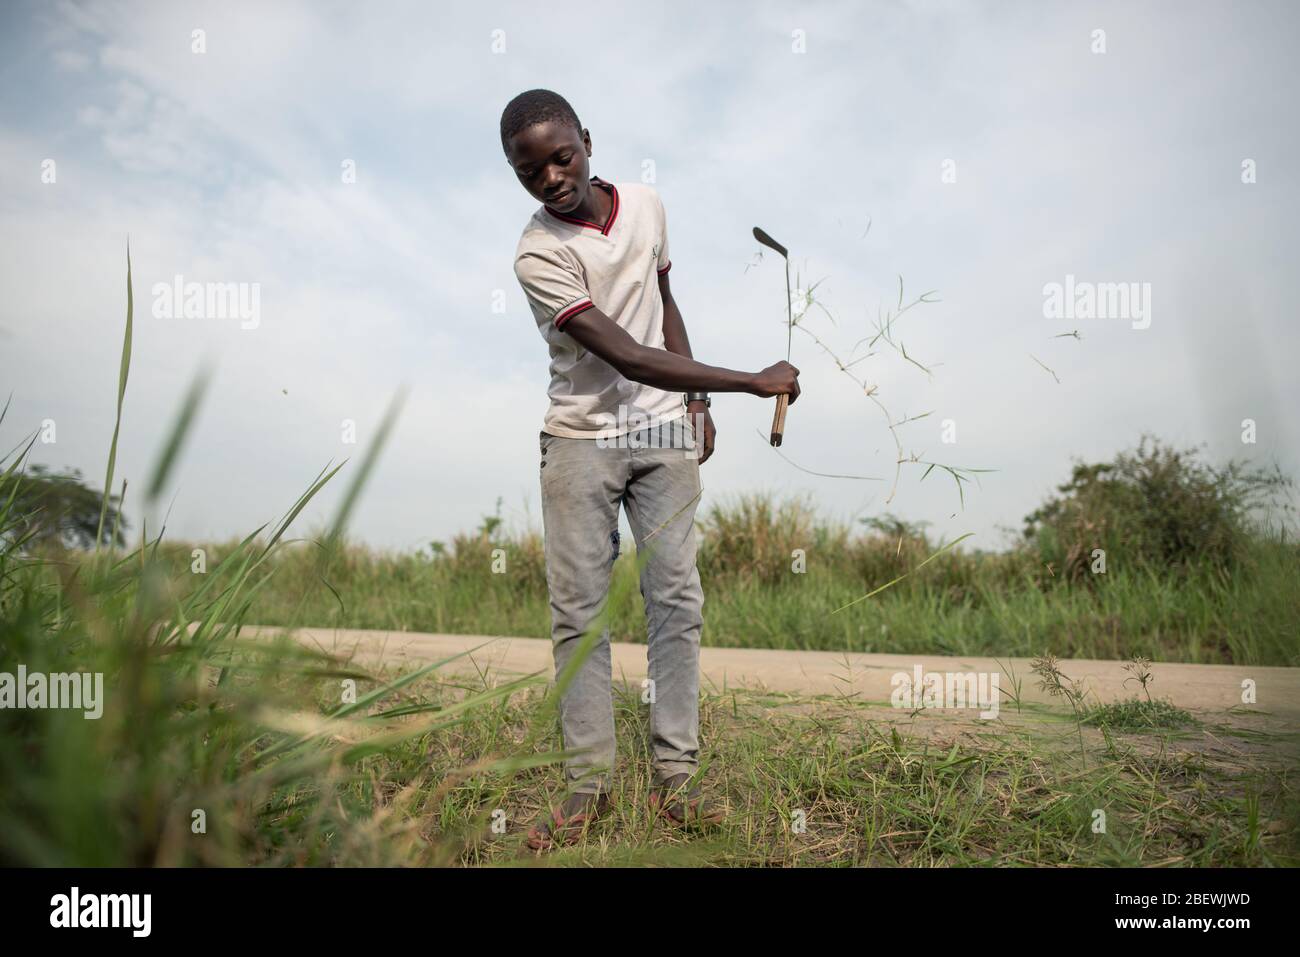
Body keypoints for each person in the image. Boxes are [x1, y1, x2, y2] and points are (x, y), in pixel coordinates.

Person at [501, 89, 800, 849]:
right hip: (578, 438)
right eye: (528, 170)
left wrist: (697, 395)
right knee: (581, 611)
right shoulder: (538, 253)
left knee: (675, 597)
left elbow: (664, 302)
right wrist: (751, 380)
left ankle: (677, 777)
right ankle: (586, 787)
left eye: (561, 157)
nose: (551, 178)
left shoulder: (647, 205)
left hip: (664, 431)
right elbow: (625, 352)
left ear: (587, 141)